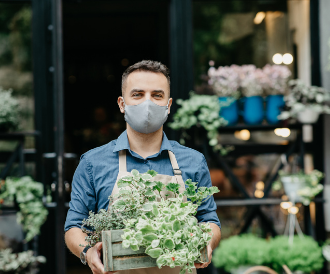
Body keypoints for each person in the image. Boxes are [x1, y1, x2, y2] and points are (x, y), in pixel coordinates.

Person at [64, 60, 221, 274]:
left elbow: (209, 219)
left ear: (169, 104)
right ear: (121, 103)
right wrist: (88, 252)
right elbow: (74, 226)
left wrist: (207, 244)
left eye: (157, 95)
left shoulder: (193, 161)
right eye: (137, 95)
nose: (147, 103)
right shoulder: (93, 163)